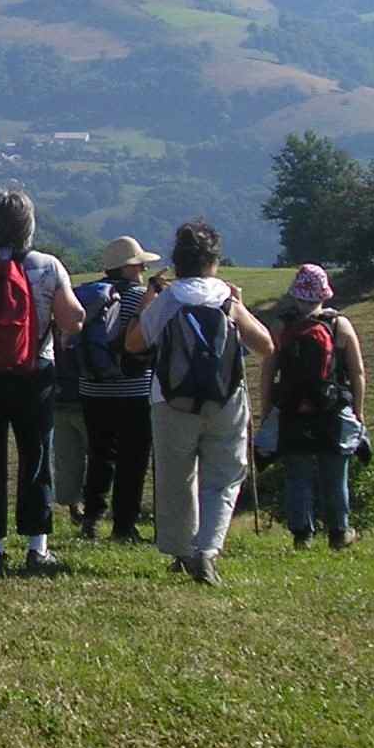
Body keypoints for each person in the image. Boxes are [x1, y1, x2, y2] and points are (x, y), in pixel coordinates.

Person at [124, 218, 274, 585]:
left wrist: (149, 303)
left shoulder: (171, 298)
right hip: (225, 399)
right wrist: (239, 305)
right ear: (214, 260)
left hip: (170, 399)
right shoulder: (225, 296)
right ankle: (207, 550)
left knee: (176, 477)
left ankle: (181, 551)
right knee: (223, 476)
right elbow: (266, 345)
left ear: (178, 261)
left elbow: (133, 343)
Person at [0, 188, 84, 575]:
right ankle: (36, 546)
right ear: (29, 226)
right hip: (34, 372)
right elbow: (72, 319)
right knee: (36, 454)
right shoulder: (47, 266)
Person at [262, 263, 368, 550]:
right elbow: (357, 372)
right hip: (331, 410)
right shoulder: (339, 325)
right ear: (324, 293)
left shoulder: (281, 326)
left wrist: (268, 409)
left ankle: (302, 536)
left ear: (296, 294)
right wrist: (358, 411)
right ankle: (339, 533)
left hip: (293, 410)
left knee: (298, 475)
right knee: (335, 475)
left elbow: (268, 372)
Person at [72, 236, 164, 543]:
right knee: (132, 459)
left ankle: (91, 518)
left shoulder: (89, 295)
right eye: (139, 265)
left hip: (92, 390)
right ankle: (124, 526)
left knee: (99, 455)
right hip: (134, 391)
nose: (141, 271)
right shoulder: (142, 298)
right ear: (129, 268)